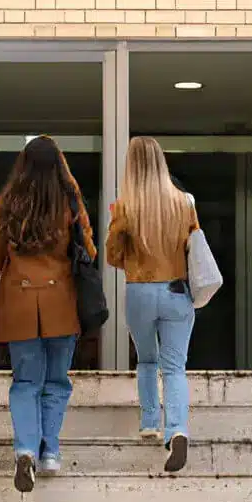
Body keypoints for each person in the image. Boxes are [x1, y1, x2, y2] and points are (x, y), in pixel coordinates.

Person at [0, 136, 96, 493]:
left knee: (25, 382)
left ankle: (25, 450)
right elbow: (90, 251)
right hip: (61, 301)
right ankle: (50, 451)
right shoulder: (69, 203)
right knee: (56, 381)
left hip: (18, 303)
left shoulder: (7, 203)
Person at [106, 136, 199, 473]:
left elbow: (113, 256)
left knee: (147, 358)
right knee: (175, 367)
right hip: (177, 291)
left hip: (140, 290)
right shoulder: (184, 203)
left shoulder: (127, 207)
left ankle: (149, 420)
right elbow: (194, 246)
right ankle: (177, 430)